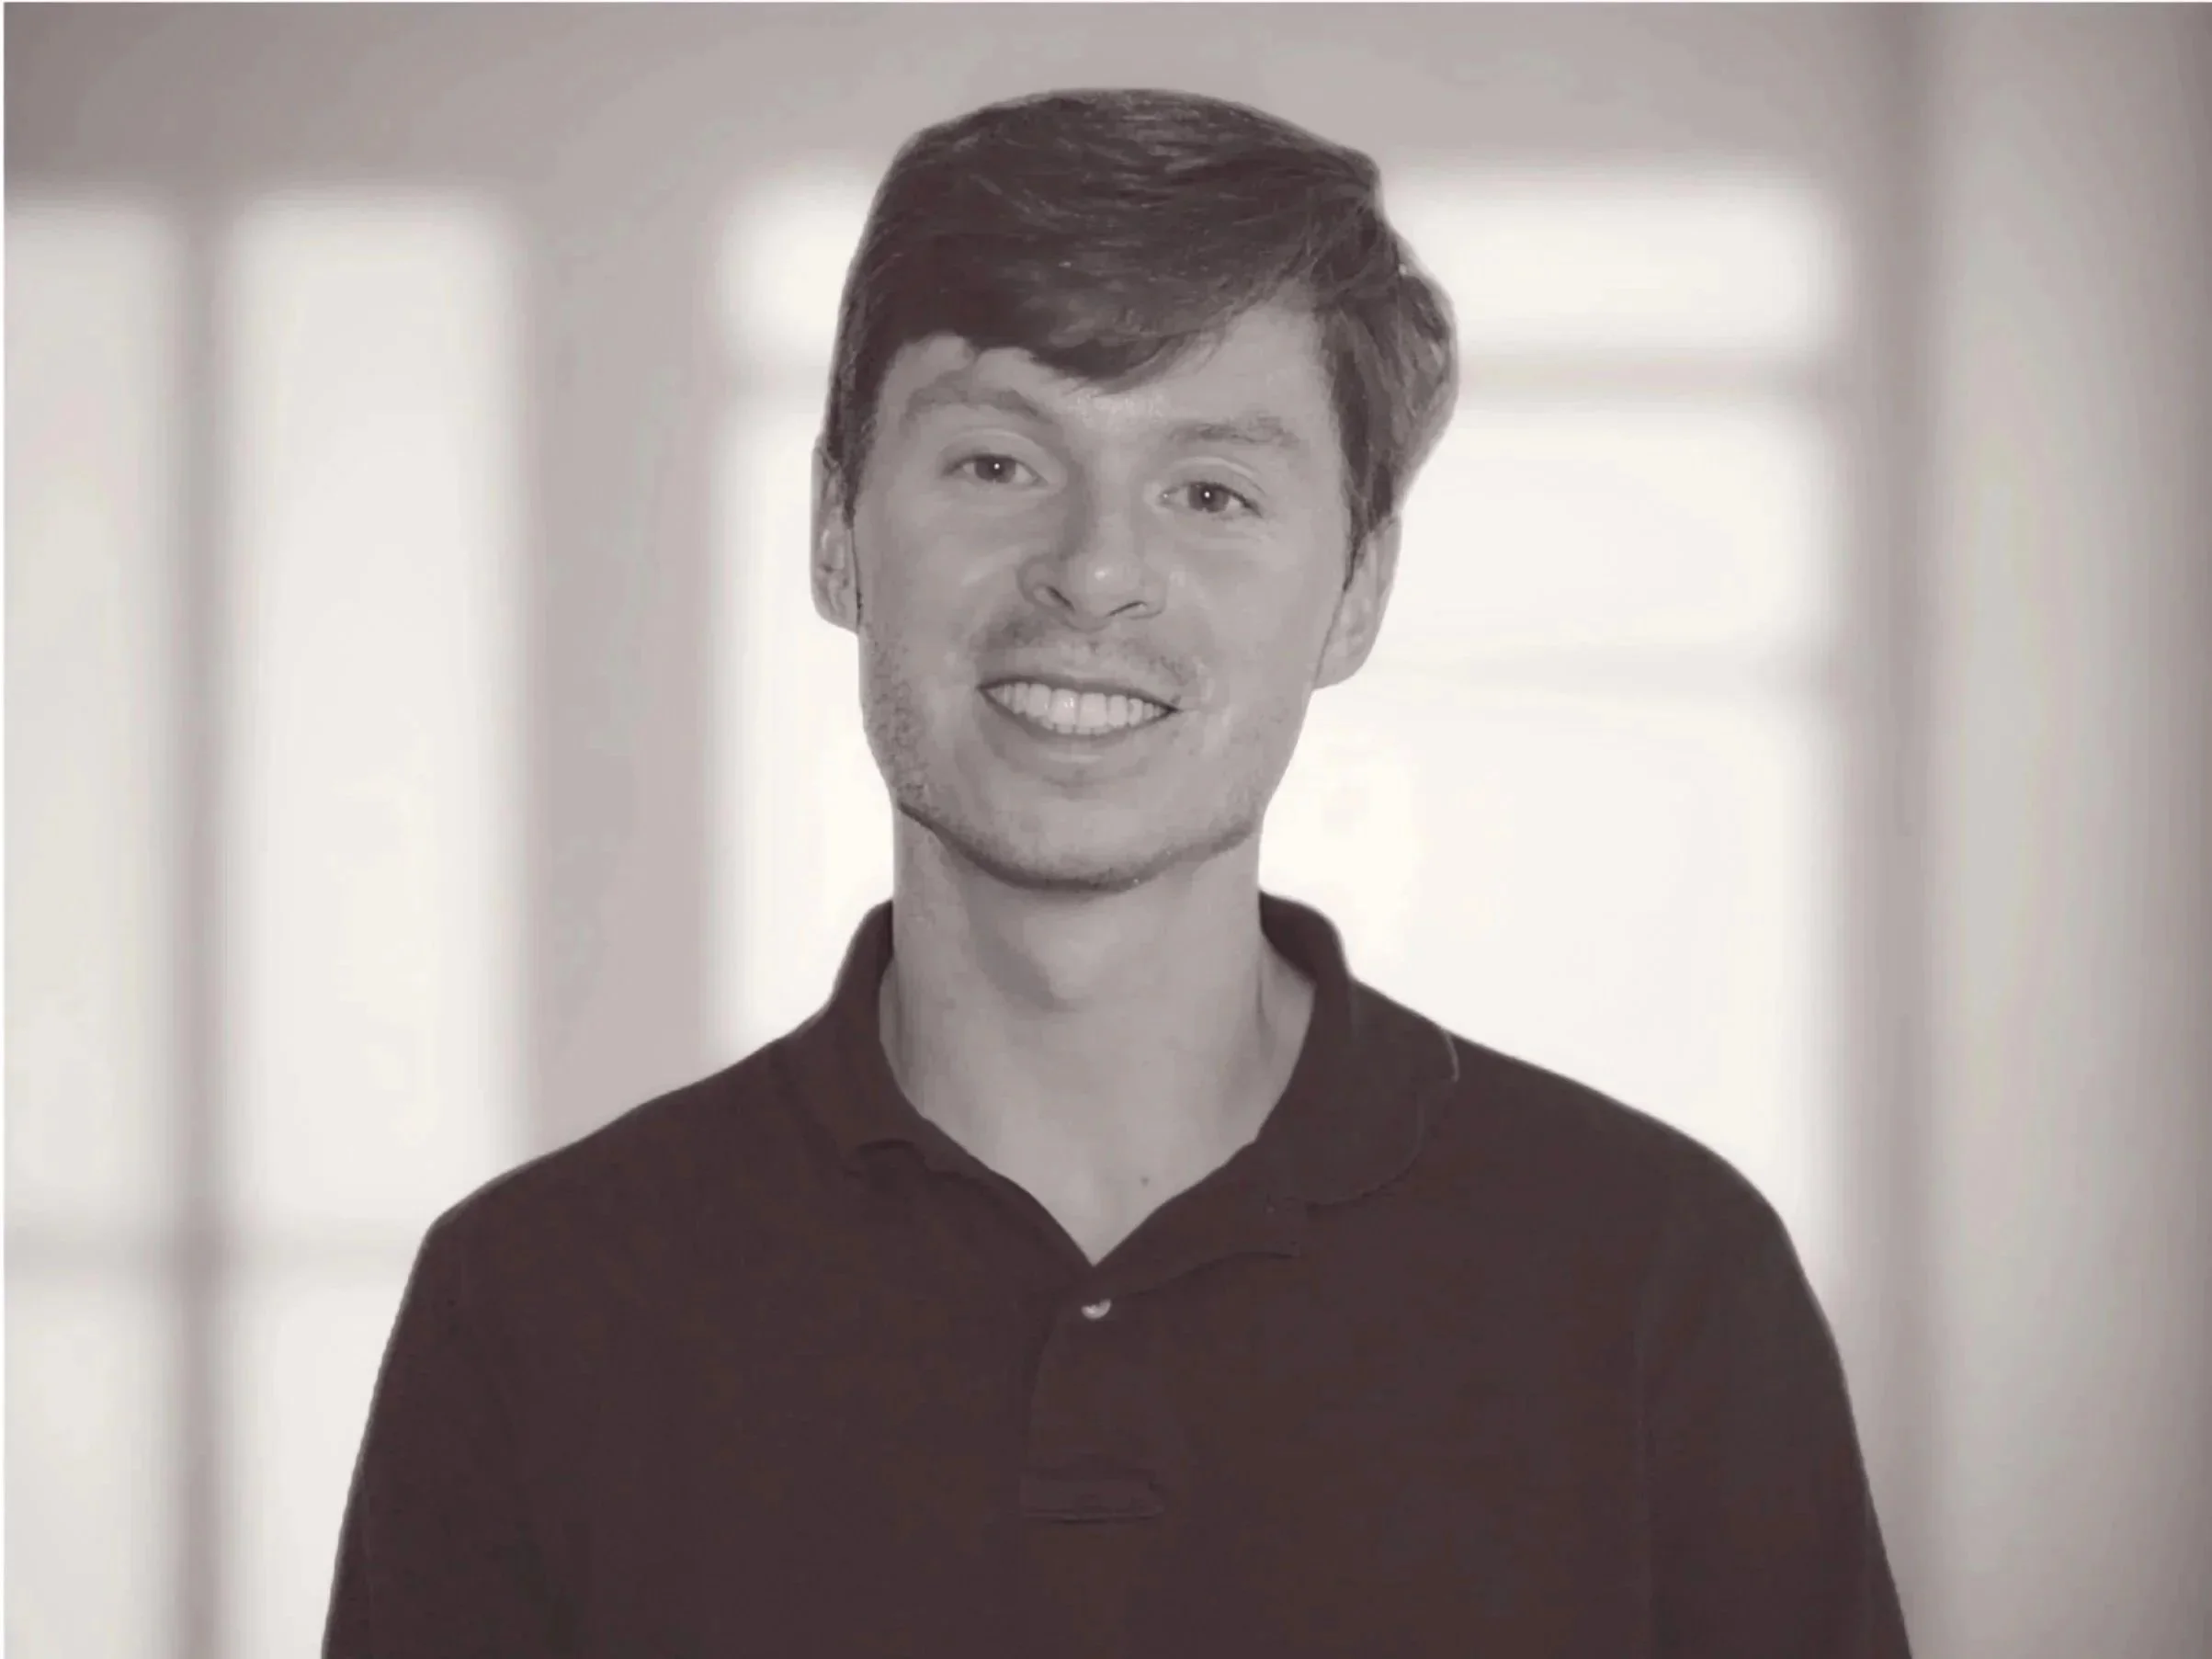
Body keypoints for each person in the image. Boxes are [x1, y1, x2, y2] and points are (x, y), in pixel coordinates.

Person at [325, 87, 1912, 1658]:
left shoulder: (1657, 1284)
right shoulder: (531, 1305)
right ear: (835, 529)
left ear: (1354, 593)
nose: (1091, 571)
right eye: (997, 463)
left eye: (1210, 491)